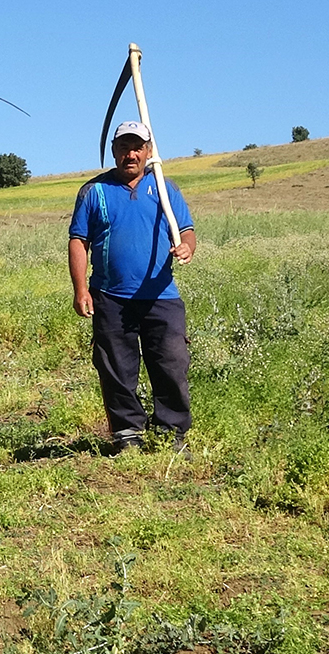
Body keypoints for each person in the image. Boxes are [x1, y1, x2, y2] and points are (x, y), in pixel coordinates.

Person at [68, 121, 196, 454]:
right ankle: (127, 433)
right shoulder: (94, 191)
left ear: (149, 151)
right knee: (116, 367)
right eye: (124, 147)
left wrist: (186, 246)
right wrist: (81, 289)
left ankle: (171, 433)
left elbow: (186, 229)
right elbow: (78, 240)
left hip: (161, 295)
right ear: (114, 151)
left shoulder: (166, 189)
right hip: (111, 296)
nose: (131, 154)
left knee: (171, 363)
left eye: (138, 147)